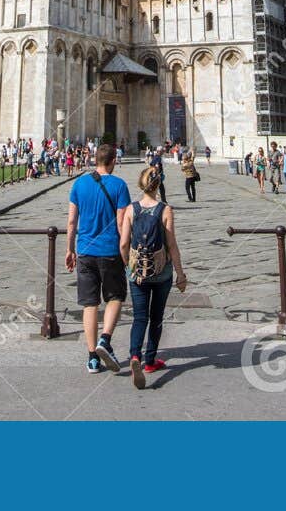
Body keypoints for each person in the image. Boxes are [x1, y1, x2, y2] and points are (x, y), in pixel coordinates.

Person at [66, 141, 132, 374]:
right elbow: (122, 222)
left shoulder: (79, 183)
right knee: (115, 297)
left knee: (89, 304)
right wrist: (126, 252)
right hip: (110, 251)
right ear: (113, 160)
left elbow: (72, 221)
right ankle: (105, 339)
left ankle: (92, 356)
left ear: (95, 159)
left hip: (84, 251)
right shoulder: (119, 185)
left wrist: (69, 249)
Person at [126, 166, 188, 389]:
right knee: (156, 318)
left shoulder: (130, 210)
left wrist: (128, 265)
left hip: (137, 273)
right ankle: (150, 360)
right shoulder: (165, 209)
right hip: (161, 272)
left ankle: (135, 356)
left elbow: (124, 243)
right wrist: (180, 273)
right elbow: (172, 245)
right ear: (158, 185)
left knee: (139, 317)